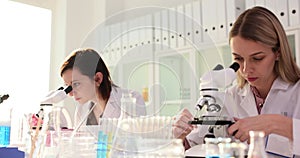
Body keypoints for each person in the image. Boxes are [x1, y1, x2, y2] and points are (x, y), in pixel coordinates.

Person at [173, 6, 300, 157]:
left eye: (257, 58)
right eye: (238, 59)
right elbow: (194, 145)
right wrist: (179, 136)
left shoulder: (296, 92)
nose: (246, 69)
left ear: (277, 53)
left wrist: (275, 123)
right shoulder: (230, 97)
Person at [60, 48, 146, 127]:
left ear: (97, 79)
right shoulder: (81, 109)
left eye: (76, 84)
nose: (71, 94)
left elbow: (135, 140)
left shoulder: (132, 100)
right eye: (68, 87)